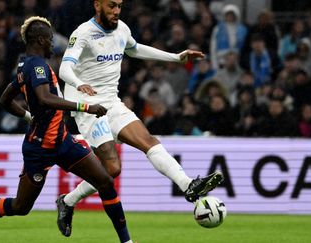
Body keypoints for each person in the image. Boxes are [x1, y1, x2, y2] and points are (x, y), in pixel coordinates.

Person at [0, 16, 134, 243]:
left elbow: (5, 100)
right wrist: (86, 107)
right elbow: (44, 98)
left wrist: (27, 116)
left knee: (105, 181)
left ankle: (126, 241)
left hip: (62, 142)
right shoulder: (37, 65)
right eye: (51, 39)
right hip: (39, 148)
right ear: (41, 40)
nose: (53, 43)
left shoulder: (25, 65)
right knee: (20, 206)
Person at [57, 0, 224, 237]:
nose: (116, 11)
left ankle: (187, 185)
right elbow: (65, 69)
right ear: (97, 5)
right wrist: (79, 83)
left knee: (148, 140)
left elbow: (134, 49)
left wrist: (176, 58)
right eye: (111, 6)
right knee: (112, 169)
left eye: (119, 6)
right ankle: (69, 200)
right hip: (88, 107)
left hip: (112, 102)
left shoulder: (122, 29)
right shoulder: (83, 33)